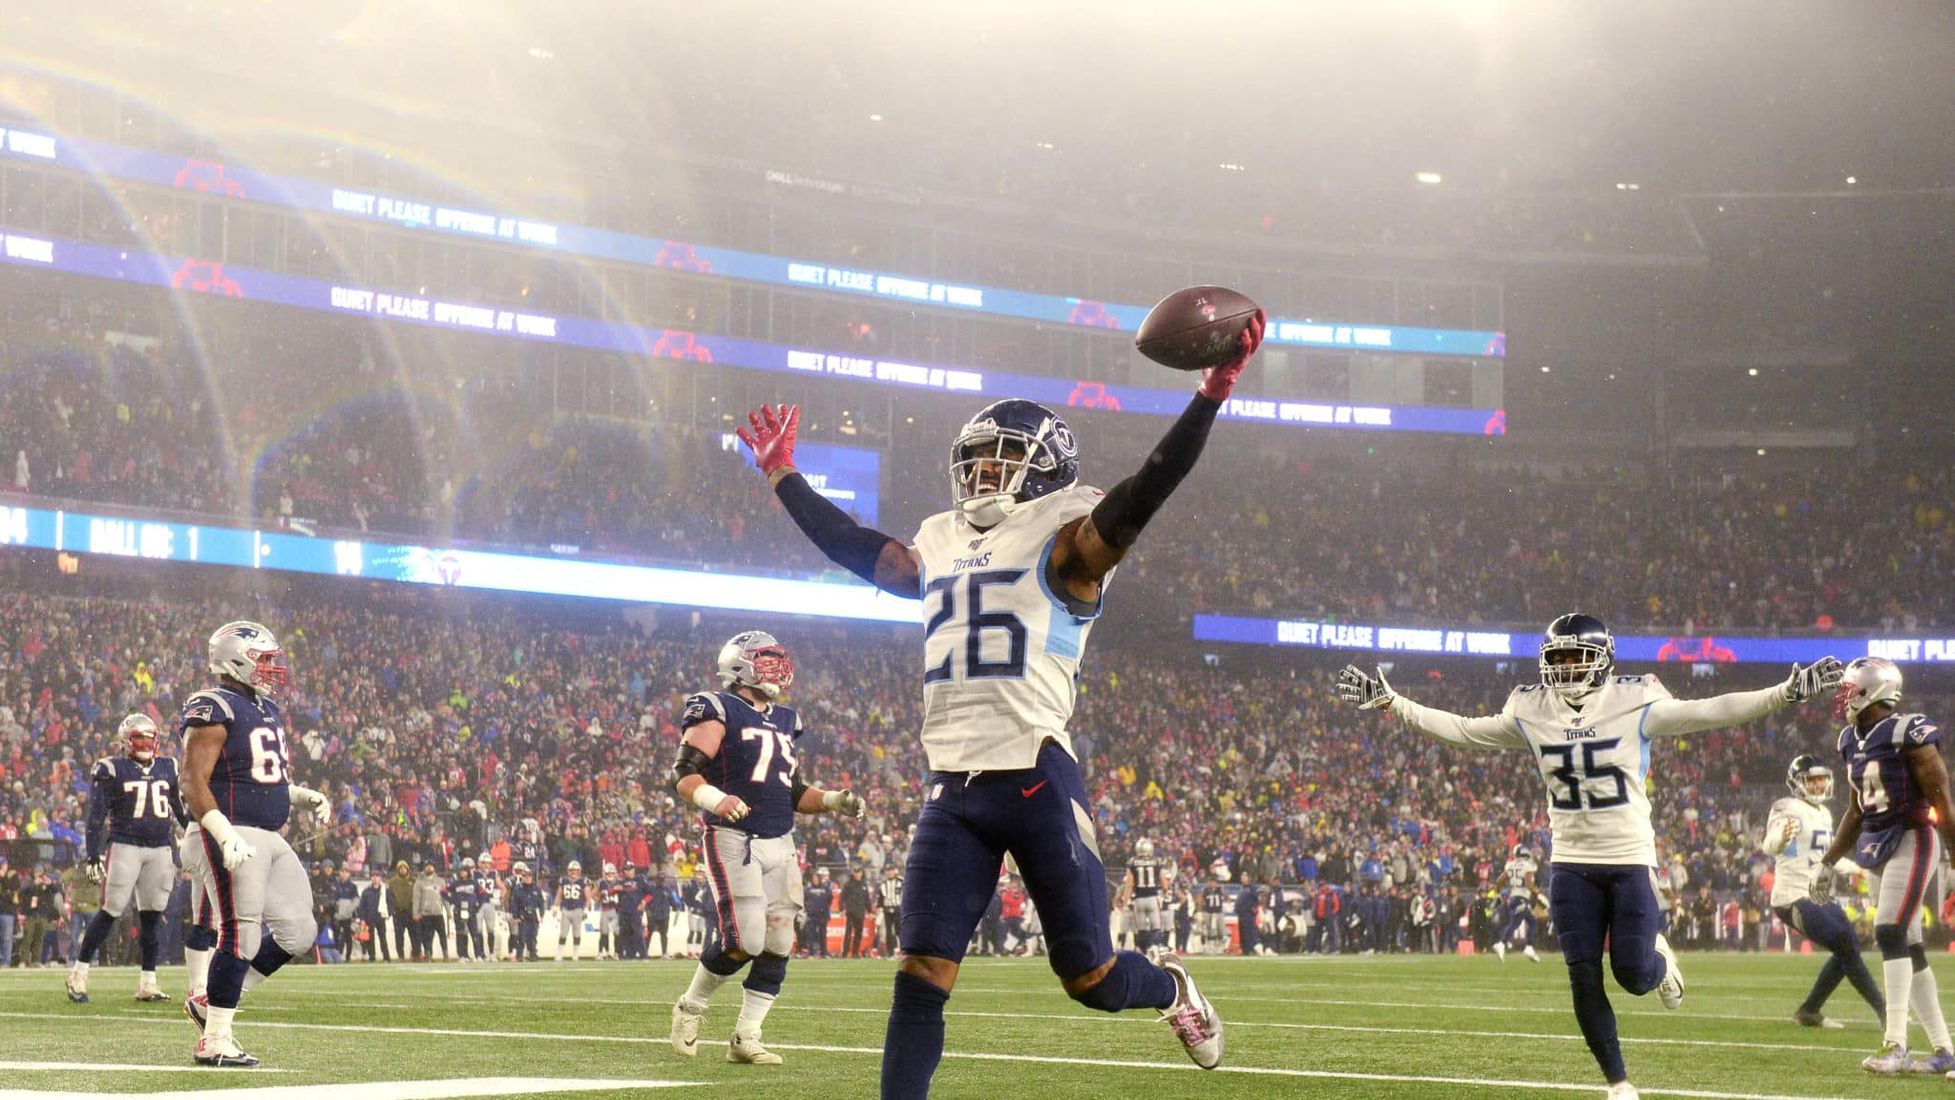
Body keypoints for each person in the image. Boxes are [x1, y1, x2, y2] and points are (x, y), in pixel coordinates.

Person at [734, 321, 1261, 1094]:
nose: (983, 472)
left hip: (1034, 775)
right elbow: (856, 547)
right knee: (920, 970)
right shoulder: (941, 539)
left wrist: (1209, 395)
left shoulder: (1067, 536)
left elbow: (1146, 490)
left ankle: (1172, 988)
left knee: (1089, 976)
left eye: (1001, 459)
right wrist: (783, 475)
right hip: (951, 787)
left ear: (1046, 469)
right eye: (975, 460)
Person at [1339, 613, 1842, 1099]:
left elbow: (1713, 710)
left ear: (1601, 659)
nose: (1566, 669)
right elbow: (1466, 731)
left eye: (1577, 658)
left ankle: (1661, 963)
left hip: (1628, 858)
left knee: (1633, 975)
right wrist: (1391, 701)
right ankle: (1619, 1083)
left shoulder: (1635, 699)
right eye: (1557, 658)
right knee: (1582, 973)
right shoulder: (1531, 708)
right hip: (1570, 861)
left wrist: (1786, 691)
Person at [667, 630, 868, 1065]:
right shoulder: (717, 707)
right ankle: (691, 1006)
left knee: (779, 942)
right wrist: (715, 798)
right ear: (739, 664)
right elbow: (683, 774)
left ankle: (746, 1037)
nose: (777, 667)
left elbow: (793, 791)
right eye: (766, 658)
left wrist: (833, 800)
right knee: (746, 940)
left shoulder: (786, 719)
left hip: (781, 839)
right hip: (734, 837)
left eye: (778, 658)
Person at [178, 621, 328, 1067]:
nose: (271, 668)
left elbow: (261, 777)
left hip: (267, 835)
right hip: (225, 830)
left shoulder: (264, 708)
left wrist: (300, 796)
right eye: (263, 659)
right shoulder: (212, 704)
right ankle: (216, 1039)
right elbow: (191, 781)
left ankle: (212, 1002)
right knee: (240, 932)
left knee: (300, 930)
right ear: (235, 658)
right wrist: (223, 833)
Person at [1812, 657, 1955, 1076]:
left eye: (1849, 688)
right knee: (1906, 944)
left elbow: (1942, 797)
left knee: (1889, 930)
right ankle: (1945, 1050)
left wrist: (1954, 859)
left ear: (1871, 691)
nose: (1842, 696)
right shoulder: (1849, 740)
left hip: (1913, 836)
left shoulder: (1908, 732)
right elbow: (1856, 810)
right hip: (1876, 842)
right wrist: (1828, 860)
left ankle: (1896, 1044)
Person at [68, 714, 185, 1004]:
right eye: (138, 738)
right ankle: (79, 972)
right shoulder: (111, 768)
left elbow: (180, 810)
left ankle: (148, 981)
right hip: (125, 845)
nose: (145, 744)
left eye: (149, 738)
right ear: (125, 741)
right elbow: (96, 817)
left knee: (152, 917)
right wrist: (93, 854)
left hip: (160, 847)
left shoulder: (168, 766)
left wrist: (196, 832)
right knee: (112, 910)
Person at [1491, 845, 1542, 963]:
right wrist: (1538, 893)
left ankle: (1529, 947)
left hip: (1513, 897)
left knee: (1532, 921)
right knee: (1515, 923)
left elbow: (1498, 882)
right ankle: (1501, 943)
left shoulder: (1511, 865)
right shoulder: (1529, 865)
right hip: (1522, 897)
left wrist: (1497, 895)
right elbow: (1529, 884)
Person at [1121, 838, 1165, 957]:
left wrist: (1125, 902)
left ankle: (1145, 951)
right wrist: (1164, 891)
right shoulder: (1157, 861)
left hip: (1139, 899)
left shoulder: (1133, 862)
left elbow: (1129, 884)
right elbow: (1164, 882)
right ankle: (1155, 947)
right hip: (1152, 898)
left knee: (1141, 927)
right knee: (1156, 925)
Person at [554, 861, 588, 961]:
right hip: (566, 909)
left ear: (579, 871)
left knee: (576, 933)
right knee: (563, 933)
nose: (574, 872)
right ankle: (560, 954)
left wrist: (586, 909)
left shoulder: (583, 881)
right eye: (572, 870)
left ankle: (575, 954)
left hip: (578, 909)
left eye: (576, 870)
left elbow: (587, 896)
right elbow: (559, 895)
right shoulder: (563, 880)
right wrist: (555, 907)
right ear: (568, 871)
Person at [510, 862, 543, 961]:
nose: (527, 878)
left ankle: (532, 954)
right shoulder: (518, 888)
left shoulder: (536, 888)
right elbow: (514, 903)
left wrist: (541, 914)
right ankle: (519, 955)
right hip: (523, 913)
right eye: (525, 876)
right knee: (521, 936)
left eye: (529, 876)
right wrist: (515, 916)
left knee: (532, 936)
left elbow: (541, 902)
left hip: (533, 914)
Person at [413, 863, 447, 961]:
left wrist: (448, 910)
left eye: (431, 865)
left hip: (438, 912)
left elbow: (445, 897)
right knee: (427, 936)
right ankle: (428, 956)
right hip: (426, 913)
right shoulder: (419, 882)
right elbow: (416, 899)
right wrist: (415, 913)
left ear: (434, 867)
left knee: (442, 935)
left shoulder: (440, 881)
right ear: (424, 868)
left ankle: (446, 955)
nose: (429, 867)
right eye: (427, 866)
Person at [356, 872, 391, 962]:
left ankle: (386, 956)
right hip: (369, 917)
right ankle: (372, 956)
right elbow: (362, 906)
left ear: (380, 878)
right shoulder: (366, 891)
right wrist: (362, 919)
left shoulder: (384, 890)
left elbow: (390, 902)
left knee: (382, 938)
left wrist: (389, 914)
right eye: (373, 876)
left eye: (377, 876)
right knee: (369, 939)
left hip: (380, 917)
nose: (375, 878)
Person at [842, 868, 872, 959]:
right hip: (851, 912)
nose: (858, 874)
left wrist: (869, 910)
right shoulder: (848, 885)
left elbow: (867, 899)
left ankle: (855, 952)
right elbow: (842, 897)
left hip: (860, 912)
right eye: (856, 872)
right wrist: (842, 908)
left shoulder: (864, 885)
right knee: (848, 933)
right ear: (853, 873)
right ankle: (845, 953)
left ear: (862, 873)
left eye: (859, 872)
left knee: (858, 934)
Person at [877, 865, 904, 959]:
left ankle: (903, 951)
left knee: (899, 931)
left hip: (898, 908)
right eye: (888, 871)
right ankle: (890, 952)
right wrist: (879, 908)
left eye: (891, 870)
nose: (889, 872)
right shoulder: (883, 884)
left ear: (895, 871)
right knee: (888, 932)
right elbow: (880, 899)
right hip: (887, 909)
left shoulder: (901, 882)